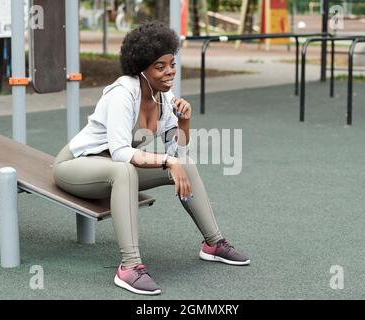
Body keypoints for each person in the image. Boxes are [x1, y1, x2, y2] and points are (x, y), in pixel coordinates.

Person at [52, 21, 250, 296]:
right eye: (160, 66)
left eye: (171, 63)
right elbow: (121, 152)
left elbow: (177, 152)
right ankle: (129, 267)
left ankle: (213, 243)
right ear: (141, 69)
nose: (169, 71)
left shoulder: (163, 99)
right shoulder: (123, 94)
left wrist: (184, 124)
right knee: (125, 171)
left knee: (186, 167)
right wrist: (168, 162)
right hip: (75, 165)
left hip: (110, 168)